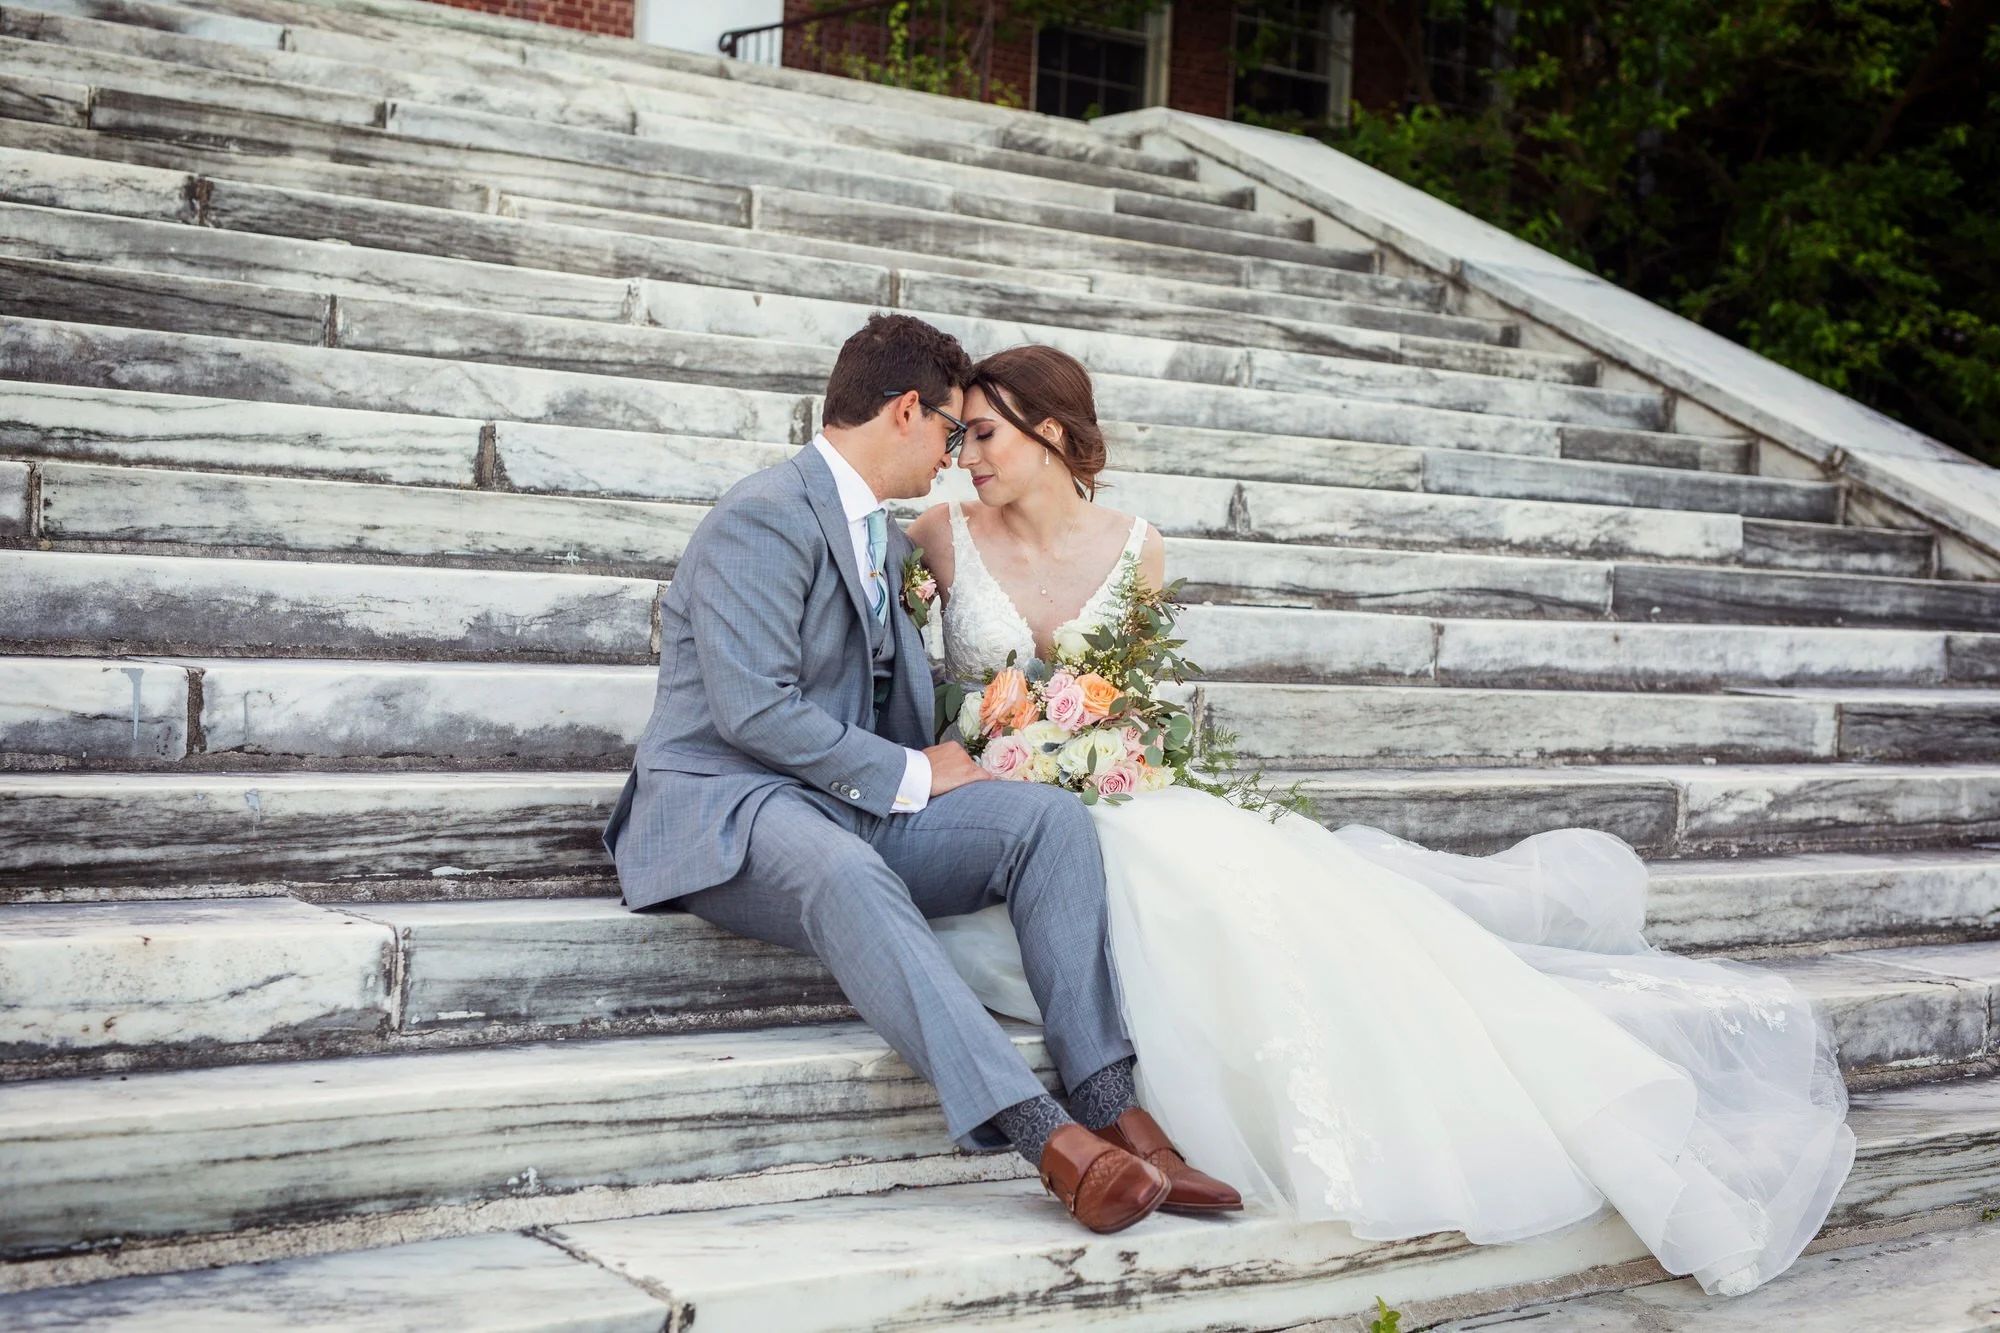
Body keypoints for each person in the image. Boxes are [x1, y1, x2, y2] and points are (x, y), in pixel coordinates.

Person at [909, 344, 1856, 1297]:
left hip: (1117, 788)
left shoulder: (1136, 545)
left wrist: (1101, 752)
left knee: (1238, 889)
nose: (965, 457)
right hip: (996, 808)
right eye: (959, 438)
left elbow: (1131, 702)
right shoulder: (938, 537)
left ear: (1053, 432)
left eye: (982, 435)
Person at [603, 314, 1241, 1236]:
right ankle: (1051, 1140)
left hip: (836, 799)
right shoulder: (763, 515)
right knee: (846, 871)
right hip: (725, 804)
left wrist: (996, 753)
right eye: (951, 430)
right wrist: (912, 769)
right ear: (906, 411)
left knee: (1046, 825)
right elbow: (752, 709)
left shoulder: (888, 543)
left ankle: (1112, 1102)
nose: (954, 456)